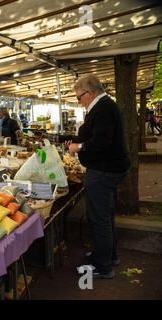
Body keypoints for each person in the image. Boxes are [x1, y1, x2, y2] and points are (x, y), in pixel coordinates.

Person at [66, 74, 130, 279]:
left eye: (79, 97)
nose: (78, 101)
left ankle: (103, 266)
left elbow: (101, 141)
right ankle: (109, 255)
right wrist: (74, 140)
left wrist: (79, 146)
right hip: (110, 169)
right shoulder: (104, 106)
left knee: (99, 218)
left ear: (90, 93)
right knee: (106, 215)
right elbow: (93, 134)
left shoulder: (103, 108)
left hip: (103, 171)